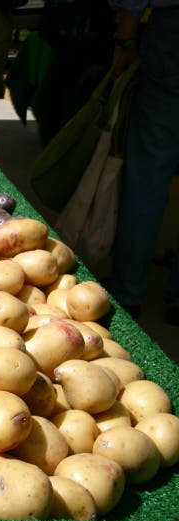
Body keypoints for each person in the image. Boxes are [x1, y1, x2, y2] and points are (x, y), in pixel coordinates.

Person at [107, 2, 179, 323]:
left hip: (172, 37)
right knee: (148, 175)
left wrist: (125, 40)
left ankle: (127, 293)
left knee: (148, 175)